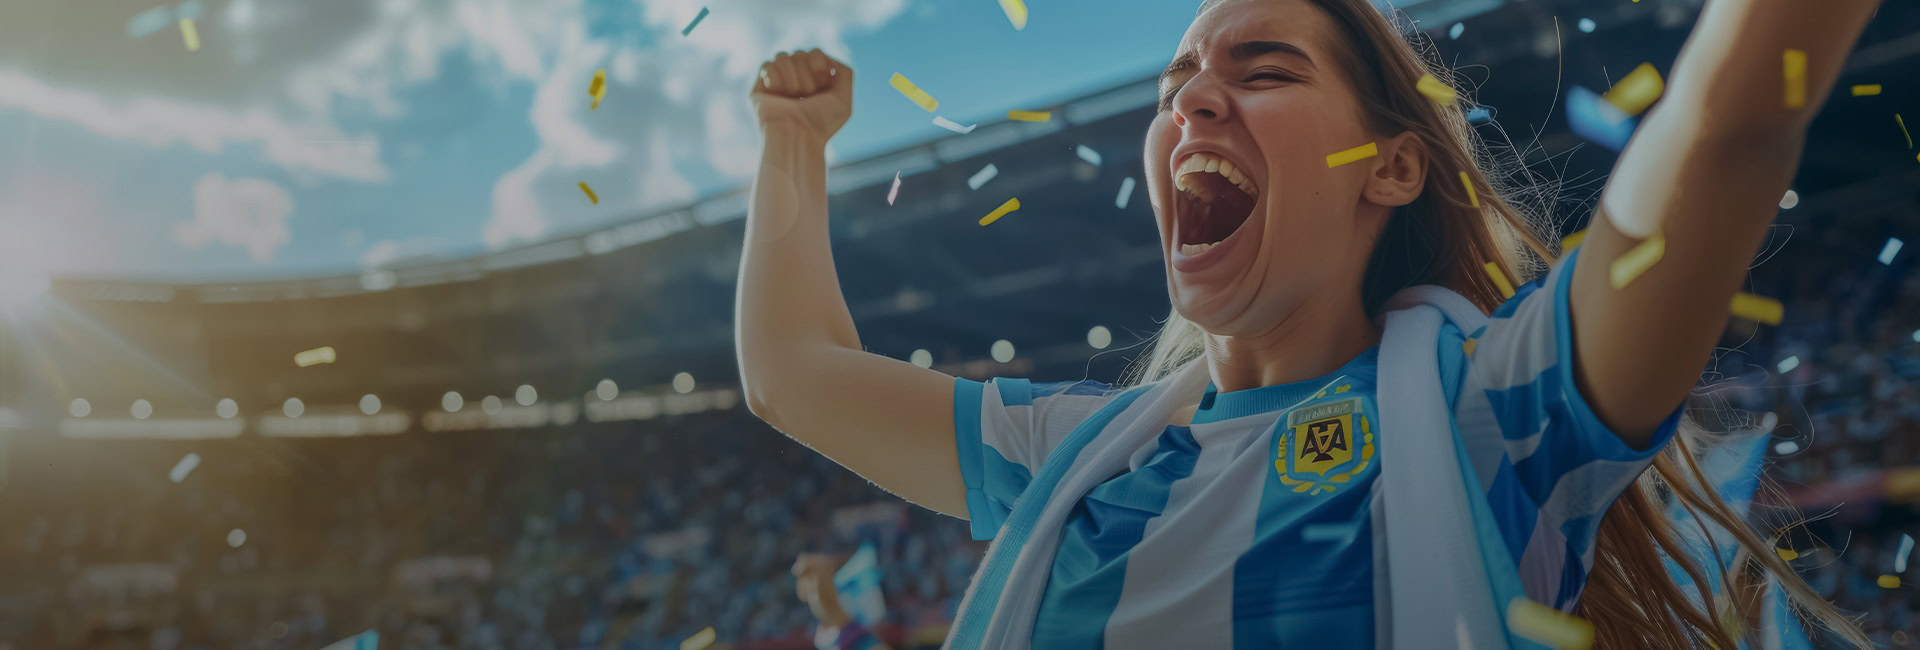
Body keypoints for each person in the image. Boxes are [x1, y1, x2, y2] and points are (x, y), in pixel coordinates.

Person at [734, 0, 1883, 647]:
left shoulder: (1495, 403)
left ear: (1388, 169)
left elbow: (1728, 130)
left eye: (1263, 67)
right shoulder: (1068, 452)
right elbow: (791, 371)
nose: (1189, 96)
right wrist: (793, 141)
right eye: (1178, 77)